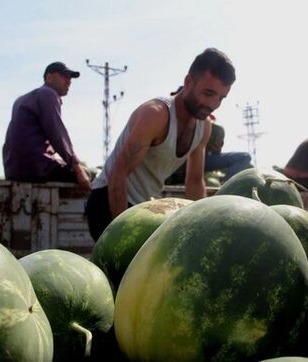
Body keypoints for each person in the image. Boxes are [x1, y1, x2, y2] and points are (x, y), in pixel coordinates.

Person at [85, 48, 236, 241]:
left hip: (144, 206)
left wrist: (199, 228)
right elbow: (119, 172)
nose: (213, 104)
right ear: (188, 82)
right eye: (208, 93)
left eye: (221, 98)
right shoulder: (156, 114)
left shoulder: (204, 126)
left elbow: (195, 182)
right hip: (108, 200)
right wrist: (120, 233)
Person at [2, 61, 90, 192]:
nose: (69, 81)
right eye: (64, 76)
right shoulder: (48, 94)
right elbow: (57, 134)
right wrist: (78, 168)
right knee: (89, 176)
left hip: (13, 171)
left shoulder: (21, 99)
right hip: (37, 168)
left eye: (70, 78)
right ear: (49, 77)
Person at [166, 113, 252, 184]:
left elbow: (217, 149)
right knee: (244, 156)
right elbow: (216, 149)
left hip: (197, 161)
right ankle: (226, 183)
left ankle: (225, 183)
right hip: (191, 161)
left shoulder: (216, 130)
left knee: (244, 156)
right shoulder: (187, 126)